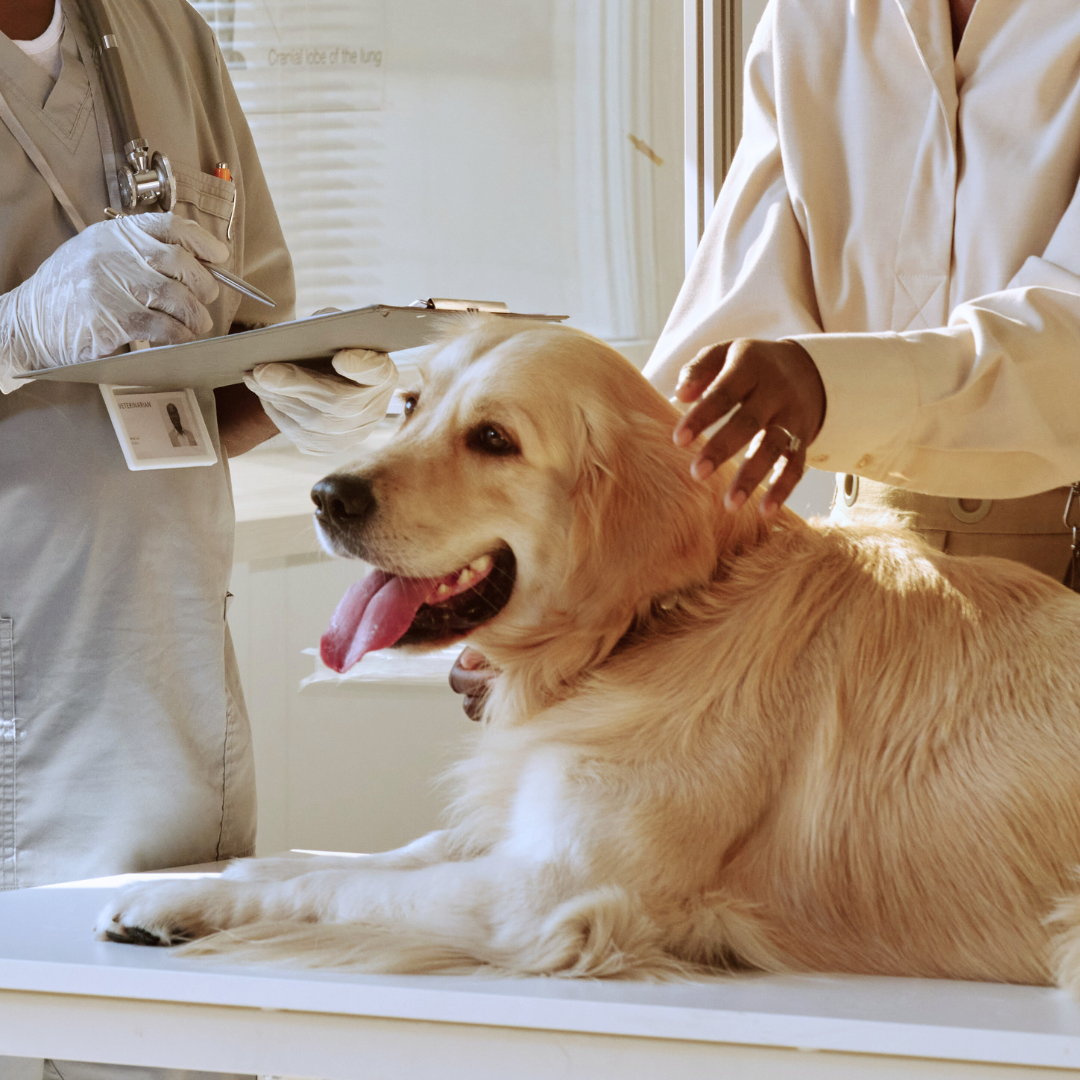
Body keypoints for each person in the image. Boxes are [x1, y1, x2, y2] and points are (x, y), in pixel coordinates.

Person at [451, 0, 1080, 713]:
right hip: (868, 583)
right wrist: (564, 590)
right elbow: (721, 341)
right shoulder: (811, 14)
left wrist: (823, 384)